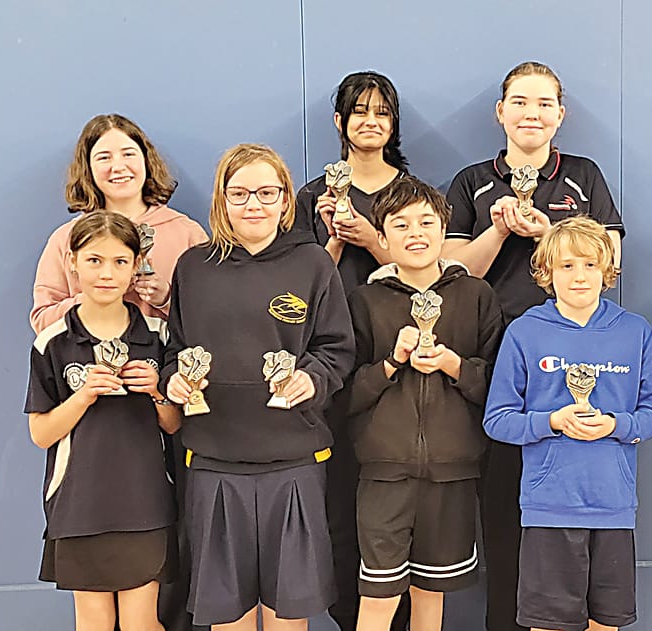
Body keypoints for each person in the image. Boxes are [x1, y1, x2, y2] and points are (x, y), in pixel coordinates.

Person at [443, 61, 624, 631]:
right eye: (520, 102)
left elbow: (610, 260)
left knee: (567, 512)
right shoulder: (473, 181)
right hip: (495, 355)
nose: (532, 113)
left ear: (560, 115)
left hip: (574, 356)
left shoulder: (584, 177)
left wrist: (550, 233)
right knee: (502, 508)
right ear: (501, 112)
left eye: (544, 103)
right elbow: (451, 272)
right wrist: (498, 230)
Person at [161, 144, 355, 631]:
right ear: (222, 199)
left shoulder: (312, 263)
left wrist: (309, 379)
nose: (254, 204)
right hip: (214, 460)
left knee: (288, 613)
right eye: (240, 193)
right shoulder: (193, 267)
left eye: (267, 193)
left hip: (292, 460)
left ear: (286, 198)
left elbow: (337, 350)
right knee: (228, 615)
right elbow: (173, 349)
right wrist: (175, 380)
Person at [484, 216, 652, 631]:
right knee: (548, 625)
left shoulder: (634, 331)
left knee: (605, 623)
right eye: (567, 266)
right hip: (549, 508)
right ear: (546, 272)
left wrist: (616, 425)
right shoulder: (524, 332)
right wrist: (551, 421)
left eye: (589, 265)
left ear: (607, 270)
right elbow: (497, 420)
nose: (579, 276)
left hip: (613, 507)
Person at [344, 176, 503, 631]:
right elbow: (344, 394)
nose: (415, 233)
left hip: (453, 471)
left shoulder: (477, 295)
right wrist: (391, 363)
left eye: (426, 222)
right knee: (378, 595)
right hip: (383, 473)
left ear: (444, 229)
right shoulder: (363, 301)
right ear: (382, 237)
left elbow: (499, 388)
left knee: (431, 593)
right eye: (401, 224)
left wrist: (455, 366)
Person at [291, 71, 412, 631]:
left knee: (397, 499)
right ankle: (349, 617)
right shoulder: (312, 196)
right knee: (338, 501)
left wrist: (374, 240)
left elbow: (425, 273)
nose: (371, 121)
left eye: (382, 112)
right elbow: (296, 290)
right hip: (333, 365)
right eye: (359, 111)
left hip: (398, 360)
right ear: (339, 122)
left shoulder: (410, 193)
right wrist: (335, 243)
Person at [26, 210, 180, 631]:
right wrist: (83, 396)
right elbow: (41, 433)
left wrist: (156, 390)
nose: (106, 273)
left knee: (140, 623)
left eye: (119, 261)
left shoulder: (158, 334)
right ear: (73, 262)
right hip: (80, 505)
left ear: (136, 266)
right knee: (94, 622)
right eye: (94, 260)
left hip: (145, 503)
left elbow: (174, 425)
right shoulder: (53, 342)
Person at [31, 113, 207, 334]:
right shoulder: (65, 239)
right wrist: (91, 298)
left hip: (167, 356)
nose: (118, 166)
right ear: (88, 168)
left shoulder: (187, 234)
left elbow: (212, 315)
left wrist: (167, 299)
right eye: (104, 158)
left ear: (146, 160)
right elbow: (43, 321)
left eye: (128, 154)